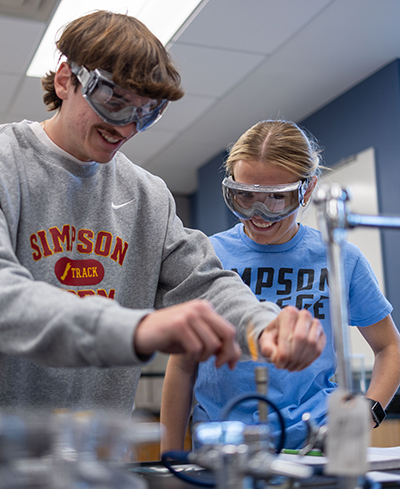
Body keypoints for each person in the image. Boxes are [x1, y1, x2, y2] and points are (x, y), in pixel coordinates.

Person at [0, 14, 325, 414]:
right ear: (67, 79)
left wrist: (263, 324)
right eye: (114, 102)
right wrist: (137, 328)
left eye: (146, 113)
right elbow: (6, 298)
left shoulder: (147, 195)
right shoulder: (6, 164)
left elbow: (203, 283)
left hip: (99, 456)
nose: (127, 128)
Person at [160, 120, 400, 451]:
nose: (258, 214)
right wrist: (168, 460)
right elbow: (183, 366)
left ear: (309, 189)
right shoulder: (208, 256)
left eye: (276, 199)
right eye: (244, 196)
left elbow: (390, 347)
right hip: (224, 448)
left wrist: (369, 410)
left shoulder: (339, 257)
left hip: (316, 444)